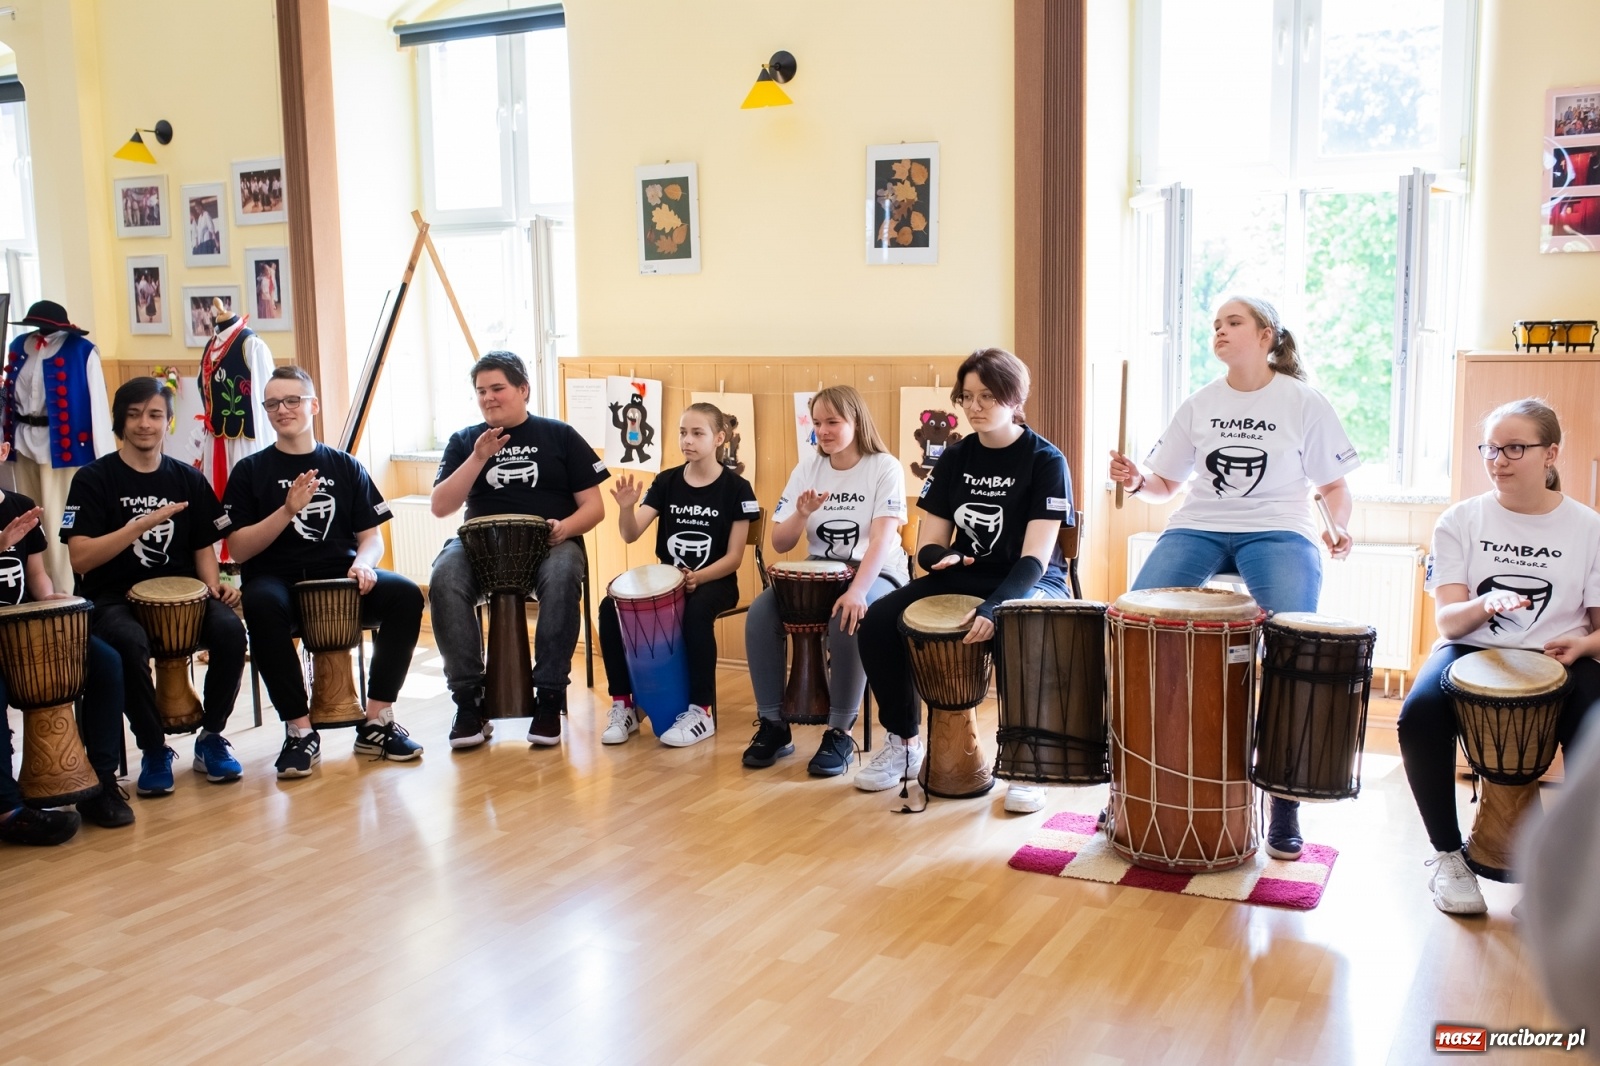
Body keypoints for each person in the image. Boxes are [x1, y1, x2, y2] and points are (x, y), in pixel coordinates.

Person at [1108, 295, 1359, 857]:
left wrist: (1337, 528)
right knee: (1132, 619)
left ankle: (1284, 804)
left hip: (1279, 531)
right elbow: (1165, 486)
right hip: (1199, 525)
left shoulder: (1304, 401)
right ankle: (1132, 787)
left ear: (1266, 335)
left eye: (1233, 322)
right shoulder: (1199, 403)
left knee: (1296, 645)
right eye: (1215, 323)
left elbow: (1334, 487)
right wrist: (1133, 480)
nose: (1219, 330)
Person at [1397, 398, 1600, 916]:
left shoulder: (1588, 527)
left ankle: (1566, 874)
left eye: (1515, 448)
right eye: (1491, 448)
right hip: (1469, 648)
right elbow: (1447, 622)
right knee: (1418, 715)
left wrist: (1583, 646)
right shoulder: (1460, 519)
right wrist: (1484, 604)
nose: (1498, 460)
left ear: (1550, 453)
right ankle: (1449, 858)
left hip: (1562, 657)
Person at [855, 348, 1074, 798]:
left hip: (1029, 579)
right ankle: (904, 742)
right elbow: (929, 543)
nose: (974, 407)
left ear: (1015, 398)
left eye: (988, 396)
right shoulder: (954, 457)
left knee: (1022, 625)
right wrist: (939, 558)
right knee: (878, 621)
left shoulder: (1046, 461)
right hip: (966, 572)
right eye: (967, 396)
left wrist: (996, 608)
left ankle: (1027, 762)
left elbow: (1035, 558)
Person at [223, 366, 425, 778]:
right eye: (273, 403)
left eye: (292, 400)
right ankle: (299, 732)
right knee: (260, 604)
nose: (283, 409)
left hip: (341, 578)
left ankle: (376, 721)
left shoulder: (346, 466)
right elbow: (239, 548)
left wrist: (363, 564)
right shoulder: (249, 472)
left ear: (312, 405)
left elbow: (371, 538)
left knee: (406, 595)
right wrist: (287, 511)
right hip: (276, 582)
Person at [62, 377, 247, 797]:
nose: (145, 424)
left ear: (168, 422)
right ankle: (153, 748)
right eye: (134, 414)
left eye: (155, 415)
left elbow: (203, 544)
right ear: (120, 421)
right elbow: (80, 558)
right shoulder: (93, 480)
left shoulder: (187, 479)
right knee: (128, 642)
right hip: (113, 598)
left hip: (184, 594)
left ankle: (211, 737)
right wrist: (139, 526)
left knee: (230, 631)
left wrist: (213, 587)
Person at [430, 351, 608, 749]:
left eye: (498, 388)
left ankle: (547, 697)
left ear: (523, 390)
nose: (489, 397)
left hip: (551, 543)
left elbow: (594, 508)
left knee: (563, 577)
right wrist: (478, 458)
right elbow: (441, 506)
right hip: (479, 546)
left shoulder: (559, 435)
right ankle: (469, 702)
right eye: (481, 391)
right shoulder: (464, 441)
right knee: (444, 577)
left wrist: (565, 529)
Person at [742, 386, 908, 775]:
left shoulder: (884, 466)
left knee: (846, 619)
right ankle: (774, 725)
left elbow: (882, 540)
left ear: (856, 422)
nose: (824, 431)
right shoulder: (808, 469)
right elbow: (780, 541)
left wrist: (858, 591)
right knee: (761, 613)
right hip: (820, 569)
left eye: (833, 422)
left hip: (878, 572)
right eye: (817, 423)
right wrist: (800, 515)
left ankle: (838, 731)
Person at [600, 403, 756, 747]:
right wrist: (626, 509)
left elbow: (733, 559)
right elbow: (630, 533)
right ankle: (623, 704)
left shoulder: (737, 488)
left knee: (697, 612)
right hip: (666, 582)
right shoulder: (667, 481)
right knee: (608, 607)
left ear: (719, 438)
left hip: (715, 582)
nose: (687, 440)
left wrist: (698, 578)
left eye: (697, 433)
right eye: (683, 432)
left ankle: (701, 711)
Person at [0, 442, 132, 844]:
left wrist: (50, 597)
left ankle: (100, 782)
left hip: (28, 634)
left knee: (106, 662)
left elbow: (35, 573)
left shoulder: (19, 504)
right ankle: (8, 809)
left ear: (4, 449)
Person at [2, 300, 116, 595]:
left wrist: (104, 463)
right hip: (23, 443)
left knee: (61, 521)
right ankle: (32, 589)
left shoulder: (82, 350)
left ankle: (65, 592)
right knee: (28, 519)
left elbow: (98, 409)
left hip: (66, 451)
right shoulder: (18, 346)